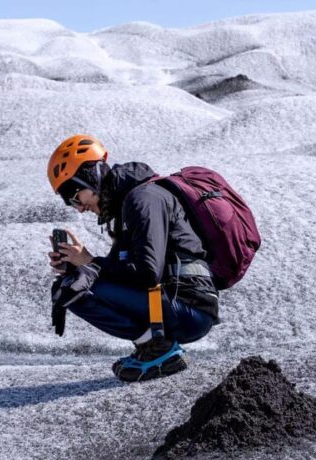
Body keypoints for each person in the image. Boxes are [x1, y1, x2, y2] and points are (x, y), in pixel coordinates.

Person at [47, 135, 219, 382]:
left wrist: (88, 262)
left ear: (89, 176)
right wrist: (75, 266)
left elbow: (147, 273)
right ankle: (152, 345)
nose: (78, 207)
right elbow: (119, 272)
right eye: (69, 202)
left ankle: (158, 348)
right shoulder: (126, 206)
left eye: (74, 196)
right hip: (177, 302)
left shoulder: (143, 199)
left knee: (77, 286)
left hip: (190, 309)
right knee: (71, 283)